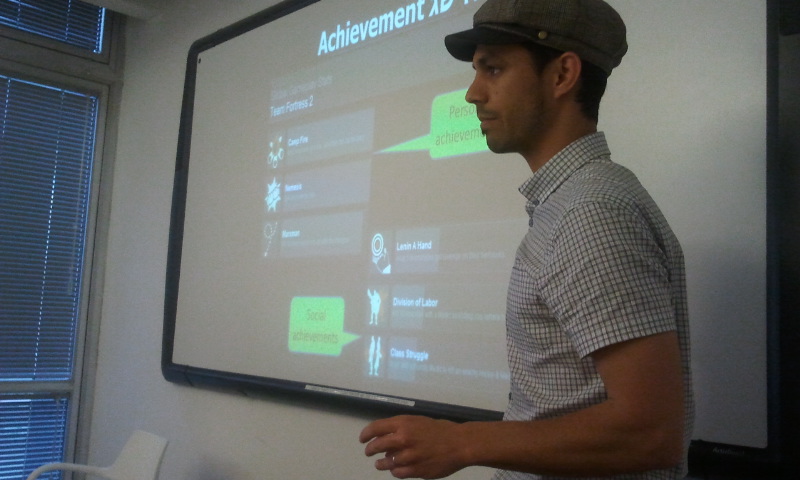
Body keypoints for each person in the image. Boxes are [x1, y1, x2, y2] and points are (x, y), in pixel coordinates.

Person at [359, 0, 695, 479]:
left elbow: (651, 432)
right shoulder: (571, 203)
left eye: (493, 69)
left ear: (562, 75)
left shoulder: (589, 213)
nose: (473, 93)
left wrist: (461, 441)